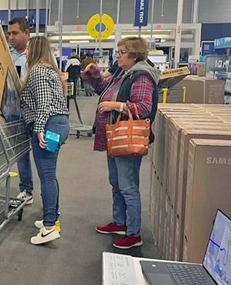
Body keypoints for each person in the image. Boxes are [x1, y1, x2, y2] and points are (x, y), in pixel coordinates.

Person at [82, 37, 160, 249]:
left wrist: (116, 106)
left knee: (127, 186)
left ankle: (133, 233)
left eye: (121, 52)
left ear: (134, 55)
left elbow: (143, 107)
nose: (117, 57)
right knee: (116, 182)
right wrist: (94, 74)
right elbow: (103, 88)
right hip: (115, 136)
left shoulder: (141, 76)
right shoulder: (123, 74)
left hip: (127, 137)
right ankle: (120, 222)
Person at [21, 36, 70, 245]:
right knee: (49, 175)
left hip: (49, 126)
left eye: (28, 48)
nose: (25, 52)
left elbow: (44, 103)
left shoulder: (38, 71)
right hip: (58, 124)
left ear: (35, 50)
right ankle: (52, 218)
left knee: (47, 176)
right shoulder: (50, 70)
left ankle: (49, 227)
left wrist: (39, 128)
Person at [7, 17, 35, 205]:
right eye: (9, 33)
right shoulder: (6, 56)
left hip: (34, 113)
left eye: (15, 33)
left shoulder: (36, 55)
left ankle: (50, 200)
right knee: (21, 153)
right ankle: (26, 190)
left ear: (26, 33)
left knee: (42, 157)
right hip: (14, 112)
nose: (11, 37)